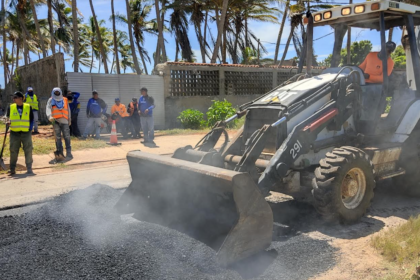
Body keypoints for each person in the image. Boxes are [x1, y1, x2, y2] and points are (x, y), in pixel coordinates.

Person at [5, 91, 34, 175]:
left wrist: (30, 129)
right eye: (13, 97)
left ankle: (29, 168)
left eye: (15, 97)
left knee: (28, 150)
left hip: (26, 133)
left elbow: (31, 119)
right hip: (14, 133)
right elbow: (7, 117)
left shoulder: (28, 107)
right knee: (13, 150)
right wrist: (7, 121)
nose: (13, 99)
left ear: (21, 98)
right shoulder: (11, 107)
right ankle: (12, 169)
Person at [46, 87, 73, 161]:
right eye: (55, 92)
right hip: (56, 121)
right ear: (53, 93)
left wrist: (69, 119)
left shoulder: (65, 99)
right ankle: (60, 153)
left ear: (60, 92)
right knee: (58, 138)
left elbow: (68, 109)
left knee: (67, 137)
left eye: (58, 92)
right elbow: (48, 108)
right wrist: (49, 116)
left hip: (64, 121)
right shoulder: (51, 100)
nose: (57, 93)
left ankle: (69, 153)